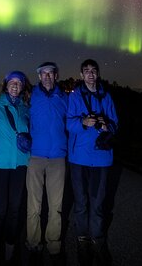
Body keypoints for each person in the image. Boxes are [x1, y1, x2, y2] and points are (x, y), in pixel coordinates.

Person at [66, 59, 118, 266]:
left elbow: (115, 123)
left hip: (101, 158)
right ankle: (82, 239)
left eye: (93, 71)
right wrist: (82, 122)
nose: (90, 74)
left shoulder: (106, 96)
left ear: (97, 74)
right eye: (86, 71)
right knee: (81, 203)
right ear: (81, 75)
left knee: (97, 203)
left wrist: (108, 127)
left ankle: (98, 240)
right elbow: (69, 123)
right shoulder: (75, 96)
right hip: (79, 159)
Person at [25, 62, 68, 265]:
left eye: (51, 74)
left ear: (56, 76)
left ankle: (53, 245)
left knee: (56, 206)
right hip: (36, 156)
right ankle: (33, 244)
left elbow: (73, 122)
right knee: (34, 205)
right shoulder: (31, 95)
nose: (47, 77)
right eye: (44, 74)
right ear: (39, 77)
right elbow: (20, 116)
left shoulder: (65, 97)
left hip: (58, 158)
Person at [0, 71, 31, 265]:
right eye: (12, 82)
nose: (15, 85)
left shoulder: (25, 108)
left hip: (20, 165)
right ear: (5, 85)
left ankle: (10, 246)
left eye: (19, 83)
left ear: (23, 87)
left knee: (15, 209)